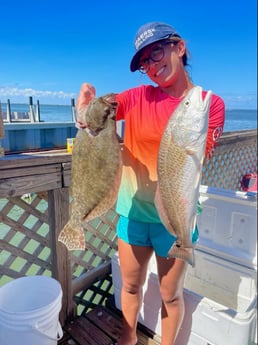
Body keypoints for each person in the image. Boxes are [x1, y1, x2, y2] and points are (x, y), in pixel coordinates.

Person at [76, 21, 225, 345]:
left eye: (156, 52)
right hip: (131, 212)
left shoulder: (208, 105)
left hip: (175, 219)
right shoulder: (137, 96)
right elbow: (98, 115)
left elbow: (197, 158)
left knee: (171, 295)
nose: (152, 66)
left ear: (179, 47)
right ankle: (128, 338)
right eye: (144, 62)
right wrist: (85, 109)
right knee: (130, 286)